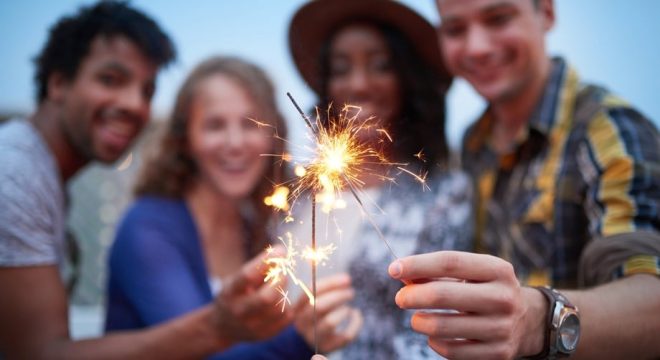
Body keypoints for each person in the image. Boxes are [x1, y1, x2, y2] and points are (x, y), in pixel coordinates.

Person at [0, 2, 293, 358]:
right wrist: (304, 329)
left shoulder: (254, 223)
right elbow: (37, 353)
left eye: (148, 90)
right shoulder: (14, 174)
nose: (134, 104)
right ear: (58, 82)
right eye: (111, 79)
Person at [389, 0, 660, 359]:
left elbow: (651, 300)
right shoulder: (473, 143)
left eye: (499, 18)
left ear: (546, 13)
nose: (477, 47)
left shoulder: (609, 129)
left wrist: (537, 318)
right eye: (456, 29)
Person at [105, 56, 362, 358]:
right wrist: (303, 336)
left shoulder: (258, 226)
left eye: (250, 124)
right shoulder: (148, 228)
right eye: (215, 125)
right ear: (185, 138)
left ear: (272, 134)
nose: (235, 142)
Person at [287, 0, 474, 358]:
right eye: (341, 69)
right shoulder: (299, 193)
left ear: (408, 78)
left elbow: (434, 338)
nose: (358, 84)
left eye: (381, 65)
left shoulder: (443, 196)